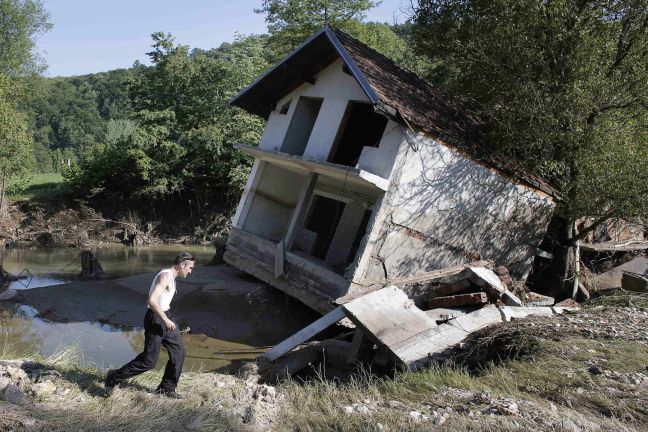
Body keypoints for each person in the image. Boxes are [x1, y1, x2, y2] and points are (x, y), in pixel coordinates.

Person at [104, 252, 195, 398]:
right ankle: (113, 377)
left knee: (179, 352)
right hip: (156, 319)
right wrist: (165, 320)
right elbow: (151, 301)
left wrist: (167, 318)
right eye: (190, 267)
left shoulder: (171, 277)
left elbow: (162, 302)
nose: (190, 271)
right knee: (149, 361)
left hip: (166, 315)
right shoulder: (165, 276)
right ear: (182, 264)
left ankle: (166, 388)